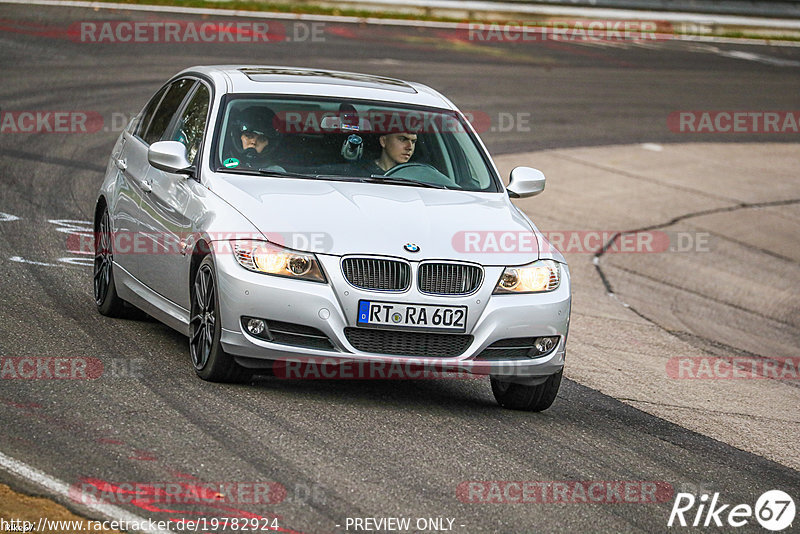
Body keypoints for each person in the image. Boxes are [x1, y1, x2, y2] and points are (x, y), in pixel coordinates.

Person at [222, 106, 284, 171]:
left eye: (261, 139)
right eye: (249, 136)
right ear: (238, 137)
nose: (253, 142)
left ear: (269, 145)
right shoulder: (221, 165)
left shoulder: (277, 172)